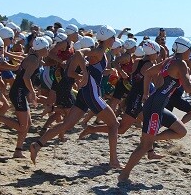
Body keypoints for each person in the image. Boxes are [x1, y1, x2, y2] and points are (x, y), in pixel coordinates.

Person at [118, 36, 191, 183]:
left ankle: (151, 138)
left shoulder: (170, 60)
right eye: (190, 50)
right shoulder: (180, 64)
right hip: (155, 106)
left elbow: (148, 73)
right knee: (144, 146)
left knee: (181, 131)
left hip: (157, 104)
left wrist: (146, 93)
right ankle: (124, 174)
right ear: (185, 49)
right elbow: (188, 88)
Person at [30, 25, 122, 169]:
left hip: (86, 94)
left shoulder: (102, 52)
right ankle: (113, 160)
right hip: (91, 94)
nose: (114, 40)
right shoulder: (97, 51)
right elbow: (78, 53)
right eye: (113, 37)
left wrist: (109, 72)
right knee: (114, 124)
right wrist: (84, 72)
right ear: (106, 39)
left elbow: (96, 72)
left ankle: (37, 144)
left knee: (67, 125)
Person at [0, 37, 50, 158]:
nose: (49, 49)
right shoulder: (33, 59)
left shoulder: (36, 57)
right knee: (22, 125)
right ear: (42, 48)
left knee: (28, 124)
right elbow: (26, 78)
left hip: (20, 91)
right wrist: (32, 92)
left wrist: (30, 92)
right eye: (47, 47)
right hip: (18, 92)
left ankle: (18, 150)